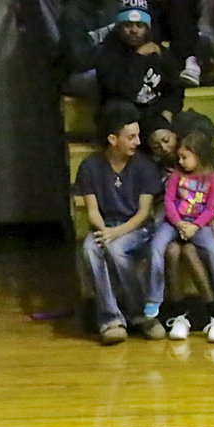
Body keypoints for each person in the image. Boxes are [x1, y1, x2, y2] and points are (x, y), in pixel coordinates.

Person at [74, 102, 166, 344]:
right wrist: (104, 231)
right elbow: (92, 210)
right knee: (89, 249)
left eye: (138, 136)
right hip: (107, 224)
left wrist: (115, 233)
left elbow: (144, 213)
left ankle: (140, 314)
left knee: (115, 249)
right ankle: (110, 319)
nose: (138, 142)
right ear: (113, 139)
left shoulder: (145, 166)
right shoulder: (90, 166)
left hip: (137, 227)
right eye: (131, 137)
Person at [145, 130, 214, 341]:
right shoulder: (171, 173)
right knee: (168, 251)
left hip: (202, 223)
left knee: (194, 252)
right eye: (155, 145)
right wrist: (178, 223)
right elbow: (167, 202)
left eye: (166, 141)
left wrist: (199, 224)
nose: (164, 148)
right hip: (174, 223)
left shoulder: (213, 174)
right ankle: (177, 313)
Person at [95, 0, 186, 129]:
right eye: (128, 25)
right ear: (119, 27)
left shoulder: (159, 51)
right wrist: (138, 58)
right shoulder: (108, 53)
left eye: (139, 25)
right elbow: (123, 93)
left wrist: (168, 112)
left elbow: (175, 89)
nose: (134, 30)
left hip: (153, 115)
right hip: (122, 117)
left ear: (147, 28)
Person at [59, 0, 119, 99]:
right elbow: (79, 60)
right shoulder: (72, 15)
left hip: (110, 66)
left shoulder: (115, 7)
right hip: (80, 76)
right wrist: (114, 53)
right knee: (116, 80)